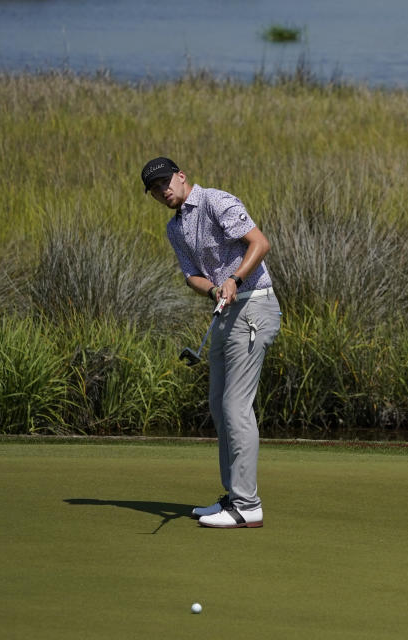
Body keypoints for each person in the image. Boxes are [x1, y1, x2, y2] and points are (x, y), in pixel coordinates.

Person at [141, 156, 281, 529]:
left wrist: (235, 278)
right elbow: (192, 276)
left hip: (254, 307)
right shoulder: (175, 229)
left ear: (182, 177)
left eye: (165, 182)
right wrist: (216, 287)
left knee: (236, 407)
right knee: (220, 408)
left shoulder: (217, 201)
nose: (162, 191)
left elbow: (259, 243)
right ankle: (233, 498)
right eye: (155, 190)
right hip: (225, 312)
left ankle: (248, 506)